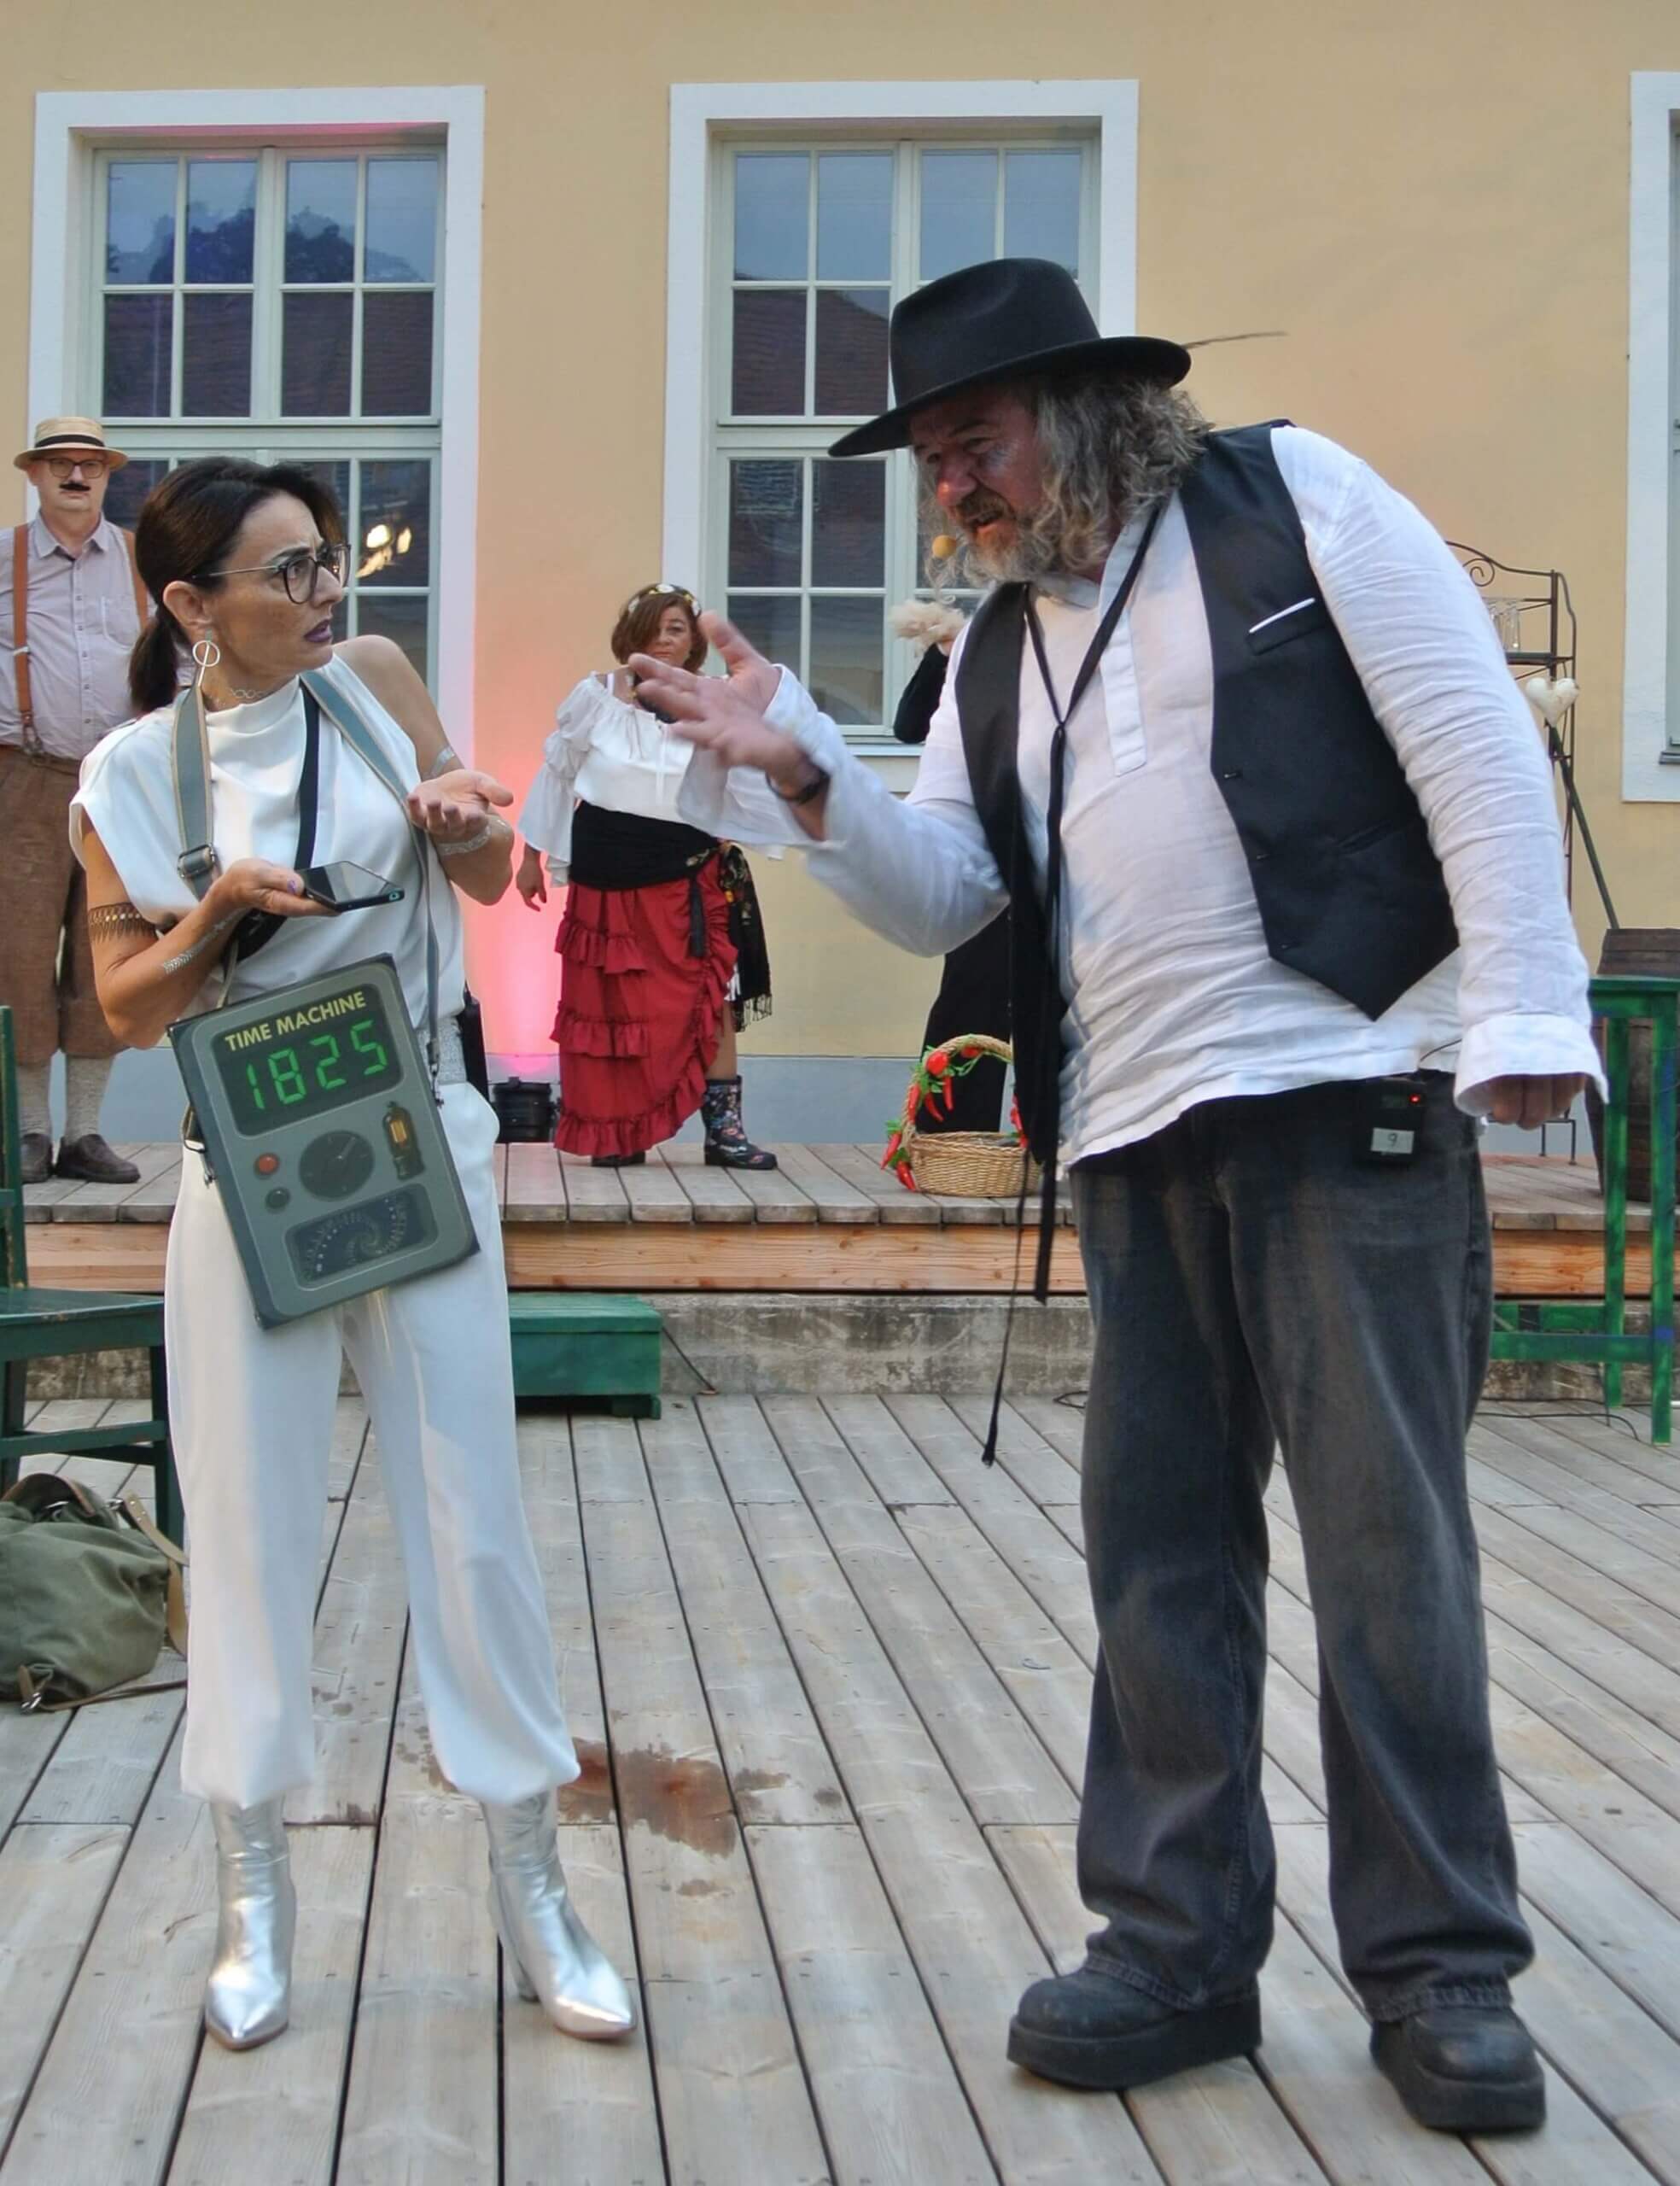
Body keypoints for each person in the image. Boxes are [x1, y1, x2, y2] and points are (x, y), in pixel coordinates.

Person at [632, 256, 1604, 2136]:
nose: (951, 485)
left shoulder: (1294, 495)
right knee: (1155, 1551)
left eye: (974, 439)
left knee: (1387, 1547)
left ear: (1083, 413)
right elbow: (949, 891)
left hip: (1349, 1084)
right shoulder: (999, 644)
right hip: (1133, 1128)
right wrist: (802, 769)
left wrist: (1523, 1006)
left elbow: (1473, 742)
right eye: (929, 458)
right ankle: (1174, 1946)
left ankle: (1442, 1967)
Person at [72, 458, 633, 2054]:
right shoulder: (130, 772)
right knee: (246, 1524)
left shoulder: (374, 681)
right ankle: (253, 1896)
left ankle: (535, 1881)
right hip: (248, 1159)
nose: (326, 594)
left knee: (473, 1517)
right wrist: (215, 920)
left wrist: (462, 824)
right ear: (192, 607)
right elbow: (125, 1007)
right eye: (289, 574)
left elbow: (484, 871)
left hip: (417, 1129)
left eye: (328, 561)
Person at [515, 582, 776, 1169]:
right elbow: (558, 772)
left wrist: (751, 825)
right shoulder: (595, 697)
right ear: (631, 634)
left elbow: (748, 774)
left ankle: (724, 1133)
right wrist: (532, 856)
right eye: (654, 627)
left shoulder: (715, 699)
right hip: (604, 874)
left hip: (686, 873)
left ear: (693, 642)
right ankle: (619, 1130)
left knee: (709, 997)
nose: (664, 637)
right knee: (612, 1009)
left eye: (677, 628)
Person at [1, 418, 149, 1184]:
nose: (75, 475)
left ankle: (86, 1133)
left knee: (107, 950)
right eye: (59, 463)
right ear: (34, 474)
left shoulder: (140, 561)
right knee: (18, 952)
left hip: (117, 784)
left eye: (89, 464)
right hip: (25, 778)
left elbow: (177, 661)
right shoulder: (4, 558)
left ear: (107, 475)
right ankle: (30, 1132)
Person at [890, 599, 1012, 1133]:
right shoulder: (976, 653)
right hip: (988, 853)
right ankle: (951, 1138)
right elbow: (908, 725)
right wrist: (944, 655)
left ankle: (1056, 1141)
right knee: (972, 995)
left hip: (1065, 852)